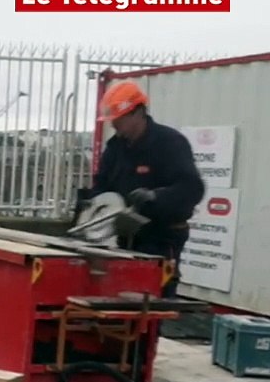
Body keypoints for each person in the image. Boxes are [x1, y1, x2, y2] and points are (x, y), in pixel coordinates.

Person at [77, 80, 206, 297]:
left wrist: (155, 197)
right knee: (119, 295)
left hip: (162, 238)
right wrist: (93, 203)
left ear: (138, 112)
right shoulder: (115, 148)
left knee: (153, 298)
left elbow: (192, 188)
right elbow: (102, 185)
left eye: (118, 119)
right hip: (124, 237)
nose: (114, 125)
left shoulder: (169, 143)